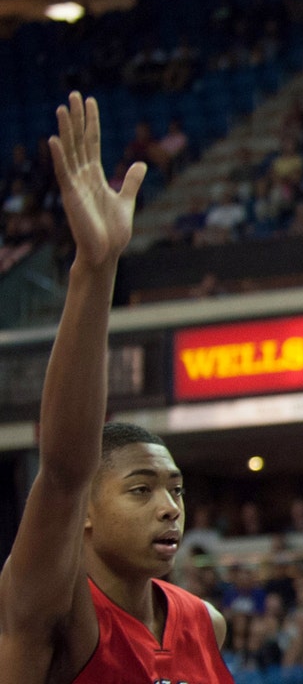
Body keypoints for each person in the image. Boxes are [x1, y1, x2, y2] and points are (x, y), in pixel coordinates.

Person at [0, 93, 232, 681]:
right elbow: (64, 468)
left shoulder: (207, 623)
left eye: (176, 491)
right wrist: (96, 268)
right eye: (140, 490)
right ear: (85, 513)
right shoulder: (50, 611)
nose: (168, 509)